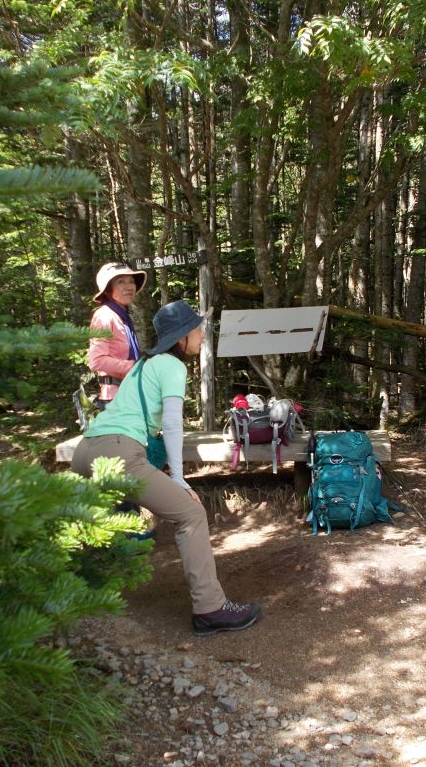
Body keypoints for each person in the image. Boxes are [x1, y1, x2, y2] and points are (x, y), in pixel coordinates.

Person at [71, 300, 262, 636]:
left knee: (96, 528)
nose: (202, 335)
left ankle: (77, 608)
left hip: (85, 451)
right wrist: (179, 478)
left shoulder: (143, 365)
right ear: (180, 337)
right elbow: (173, 424)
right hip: (119, 453)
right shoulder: (173, 367)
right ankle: (210, 609)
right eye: (196, 330)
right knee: (190, 514)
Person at [89, 262, 147, 410]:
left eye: (131, 281)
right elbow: (96, 361)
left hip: (129, 393)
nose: (129, 287)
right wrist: (134, 366)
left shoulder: (122, 316)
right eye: (121, 282)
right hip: (115, 398)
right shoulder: (104, 316)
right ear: (108, 290)